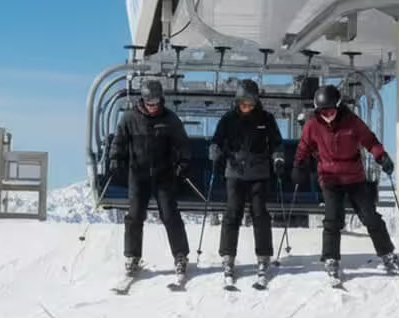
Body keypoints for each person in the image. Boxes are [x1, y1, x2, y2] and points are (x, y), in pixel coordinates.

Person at [292, 84, 399, 281]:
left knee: (370, 216)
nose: (328, 115)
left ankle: (387, 253)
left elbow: (369, 140)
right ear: (317, 110)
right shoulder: (312, 125)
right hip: (329, 177)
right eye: (324, 112)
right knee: (332, 218)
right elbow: (303, 148)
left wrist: (381, 156)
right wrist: (298, 166)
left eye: (332, 111)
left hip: (353, 177)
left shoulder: (351, 122)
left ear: (339, 107)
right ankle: (331, 258)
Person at [109, 78, 191, 279]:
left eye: (156, 103)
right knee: (135, 215)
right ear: (142, 101)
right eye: (149, 103)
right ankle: (132, 256)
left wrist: (183, 164)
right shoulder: (130, 118)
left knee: (170, 214)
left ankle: (180, 255)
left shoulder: (170, 119)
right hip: (138, 174)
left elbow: (182, 144)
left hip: (164, 174)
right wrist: (115, 158)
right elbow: (119, 141)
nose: (153, 108)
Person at [210, 78, 285, 282]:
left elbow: (277, 143)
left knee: (260, 214)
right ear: (237, 101)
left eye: (251, 104)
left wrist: (278, 158)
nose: (247, 107)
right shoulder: (228, 119)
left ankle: (263, 255)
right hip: (234, 172)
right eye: (244, 103)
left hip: (259, 172)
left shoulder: (266, 119)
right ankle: (228, 255)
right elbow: (216, 140)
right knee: (232, 213)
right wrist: (215, 152)